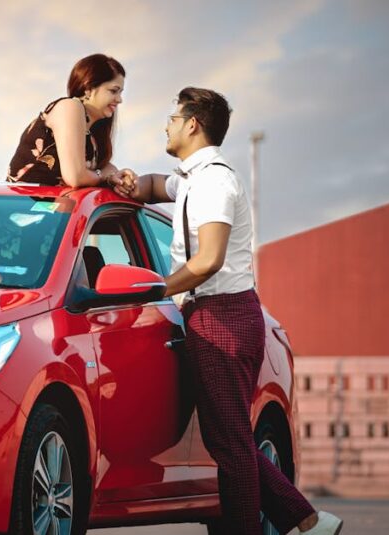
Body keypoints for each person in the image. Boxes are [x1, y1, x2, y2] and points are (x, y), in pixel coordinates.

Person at [113, 87, 343, 535]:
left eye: (173, 117)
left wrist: (154, 288)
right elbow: (160, 186)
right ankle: (310, 521)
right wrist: (129, 183)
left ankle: (291, 523)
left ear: (193, 125)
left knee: (231, 447)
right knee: (231, 439)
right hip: (215, 315)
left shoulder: (216, 181)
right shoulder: (195, 179)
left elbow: (209, 259)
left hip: (222, 317)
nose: (167, 124)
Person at [7, 53, 126, 187]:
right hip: (26, 204)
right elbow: (75, 177)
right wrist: (104, 177)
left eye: (121, 92)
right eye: (113, 91)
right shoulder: (70, 107)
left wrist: (119, 177)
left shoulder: (91, 138)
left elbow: (109, 169)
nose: (119, 99)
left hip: (54, 206)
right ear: (88, 88)